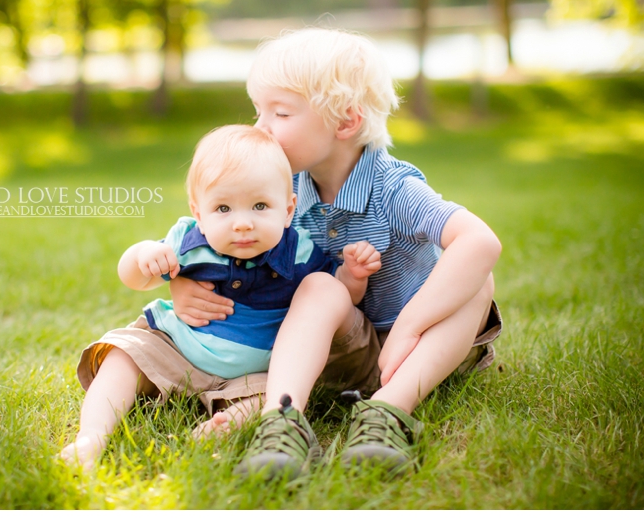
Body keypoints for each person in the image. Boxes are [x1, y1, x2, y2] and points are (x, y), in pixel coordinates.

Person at [170, 28, 503, 478]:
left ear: (345, 122)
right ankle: (282, 418)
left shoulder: (393, 187)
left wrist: (409, 327)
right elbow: (219, 233)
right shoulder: (283, 191)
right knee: (319, 284)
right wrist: (183, 281)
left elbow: (482, 241)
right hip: (347, 347)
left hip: (425, 348)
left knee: (478, 279)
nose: (259, 128)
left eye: (280, 113)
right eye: (258, 111)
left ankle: (388, 410)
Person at [60, 124, 381, 469]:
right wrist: (143, 256)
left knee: (271, 394)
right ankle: (92, 436)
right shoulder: (188, 239)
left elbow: (335, 301)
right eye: (223, 209)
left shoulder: (299, 251)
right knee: (124, 357)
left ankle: (222, 427)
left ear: (288, 210)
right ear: (199, 213)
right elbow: (135, 279)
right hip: (178, 348)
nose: (242, 224)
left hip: (254, 373)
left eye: (260, 206)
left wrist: (352, 275)